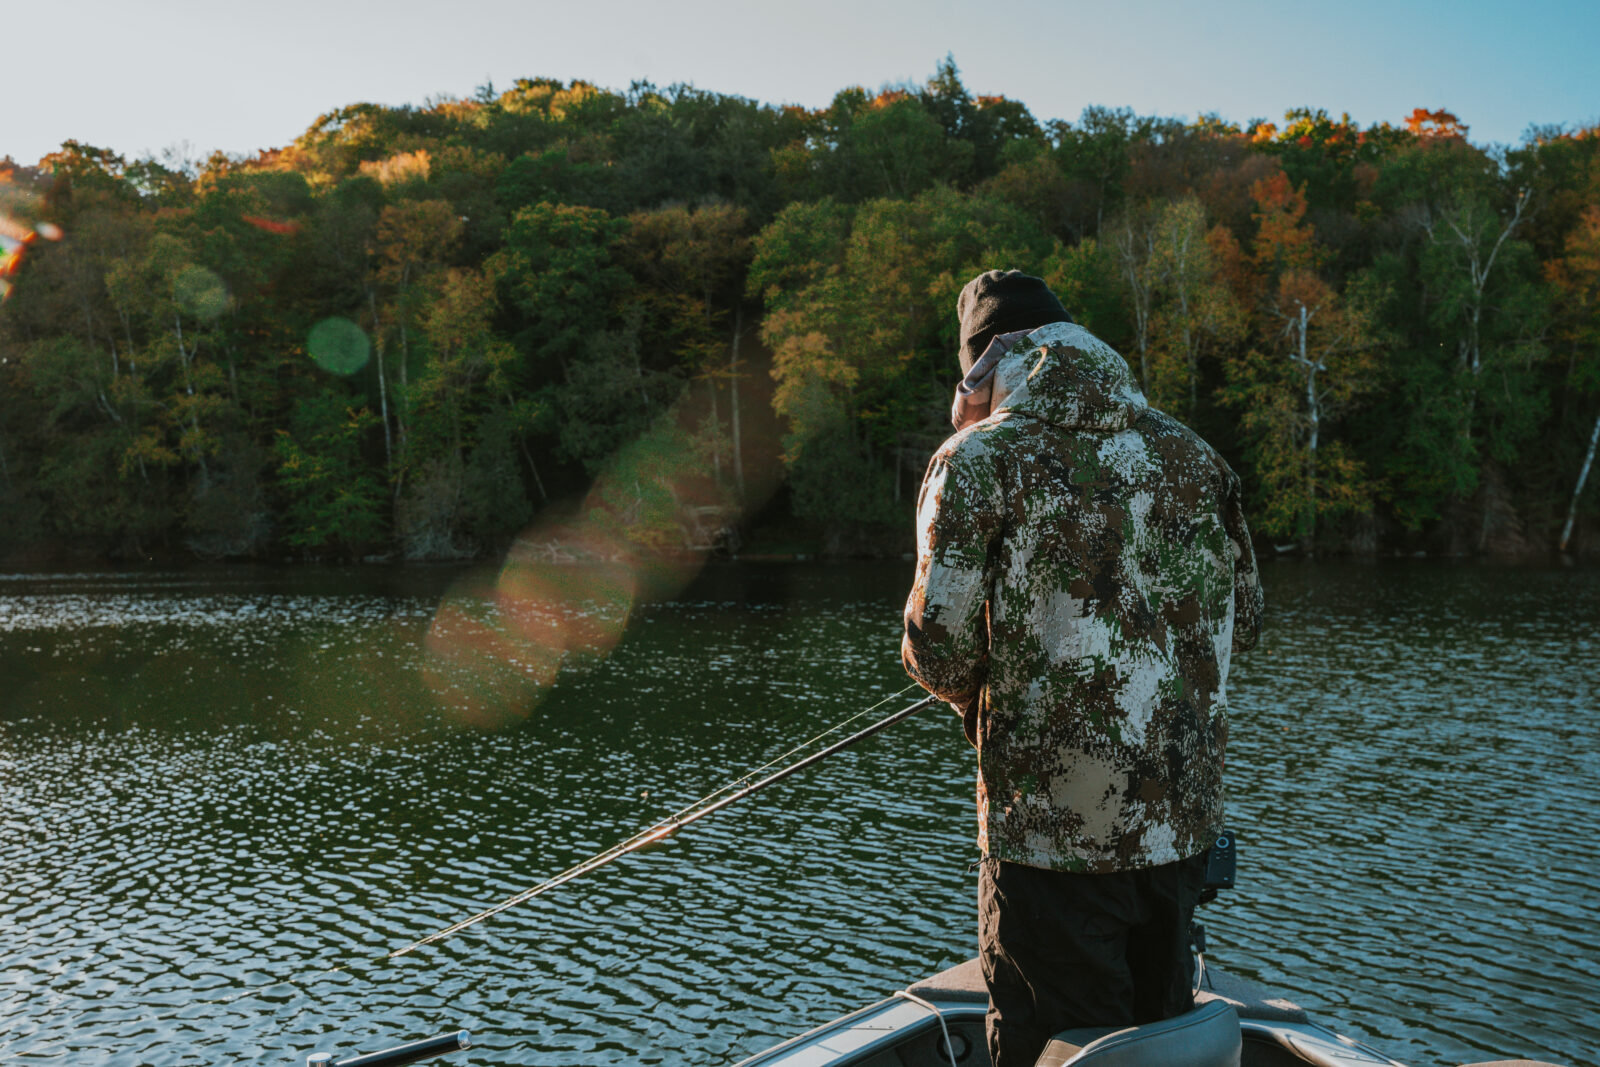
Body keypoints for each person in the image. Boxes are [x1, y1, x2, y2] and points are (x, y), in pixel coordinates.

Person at [902, 269, 1262, 1067]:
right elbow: (1249, 619)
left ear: (984, 363)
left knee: (1054, 1052)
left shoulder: (976, 460)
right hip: (1180, 838)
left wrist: (960, 429)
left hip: (1048, 845)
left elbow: (940, 651)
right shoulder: (1195, 457)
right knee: (1156, 1051)